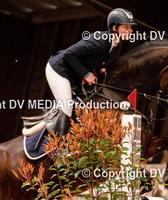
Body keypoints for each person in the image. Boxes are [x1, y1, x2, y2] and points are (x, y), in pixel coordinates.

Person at [46, 8, 136, 136]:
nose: (130, 31)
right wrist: (86, 75)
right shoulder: (99, 41)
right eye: (126, 27)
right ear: (114, 27)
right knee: (67, 107)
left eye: (130, 27)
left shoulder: (113, 43)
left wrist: (98, 69)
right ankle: (57, 144)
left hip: (71, 73)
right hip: (58, 70)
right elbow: (69, 54)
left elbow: (90, 58)